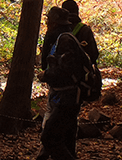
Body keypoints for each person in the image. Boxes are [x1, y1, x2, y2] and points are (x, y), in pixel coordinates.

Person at [38, 21, 86, 160]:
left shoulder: (65, 40)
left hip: (67, 96)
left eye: (50, 19)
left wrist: (46, 75)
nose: (47, 23)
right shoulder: (64, 39)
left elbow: (66, 70)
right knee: (67, 136)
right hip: (64, 94)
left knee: (49, 137)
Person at [61, 0, 99, 64]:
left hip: (59, 72)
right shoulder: (85, 30)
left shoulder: (57, 29)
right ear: (77, 11)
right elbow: (94, 53)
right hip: (81, 72)